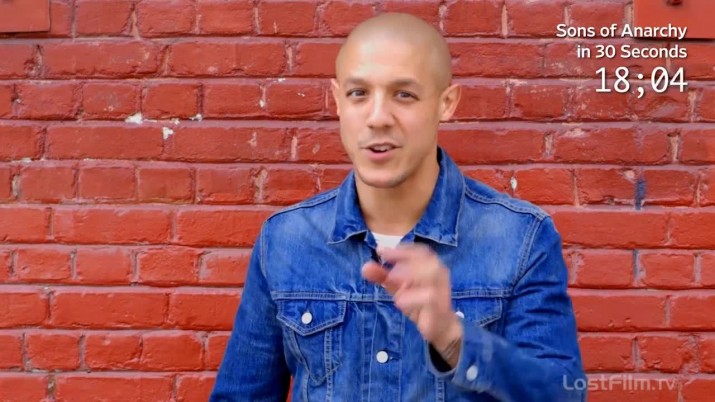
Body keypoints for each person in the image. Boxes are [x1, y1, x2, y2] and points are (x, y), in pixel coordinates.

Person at [210, 12, 586, 402]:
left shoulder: (520, 239)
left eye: (403, 94)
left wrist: (454, 339)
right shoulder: (286, 239)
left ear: (446, 104)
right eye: (359, 93)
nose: (378, 118)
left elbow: (563, 393)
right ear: (337, 101)